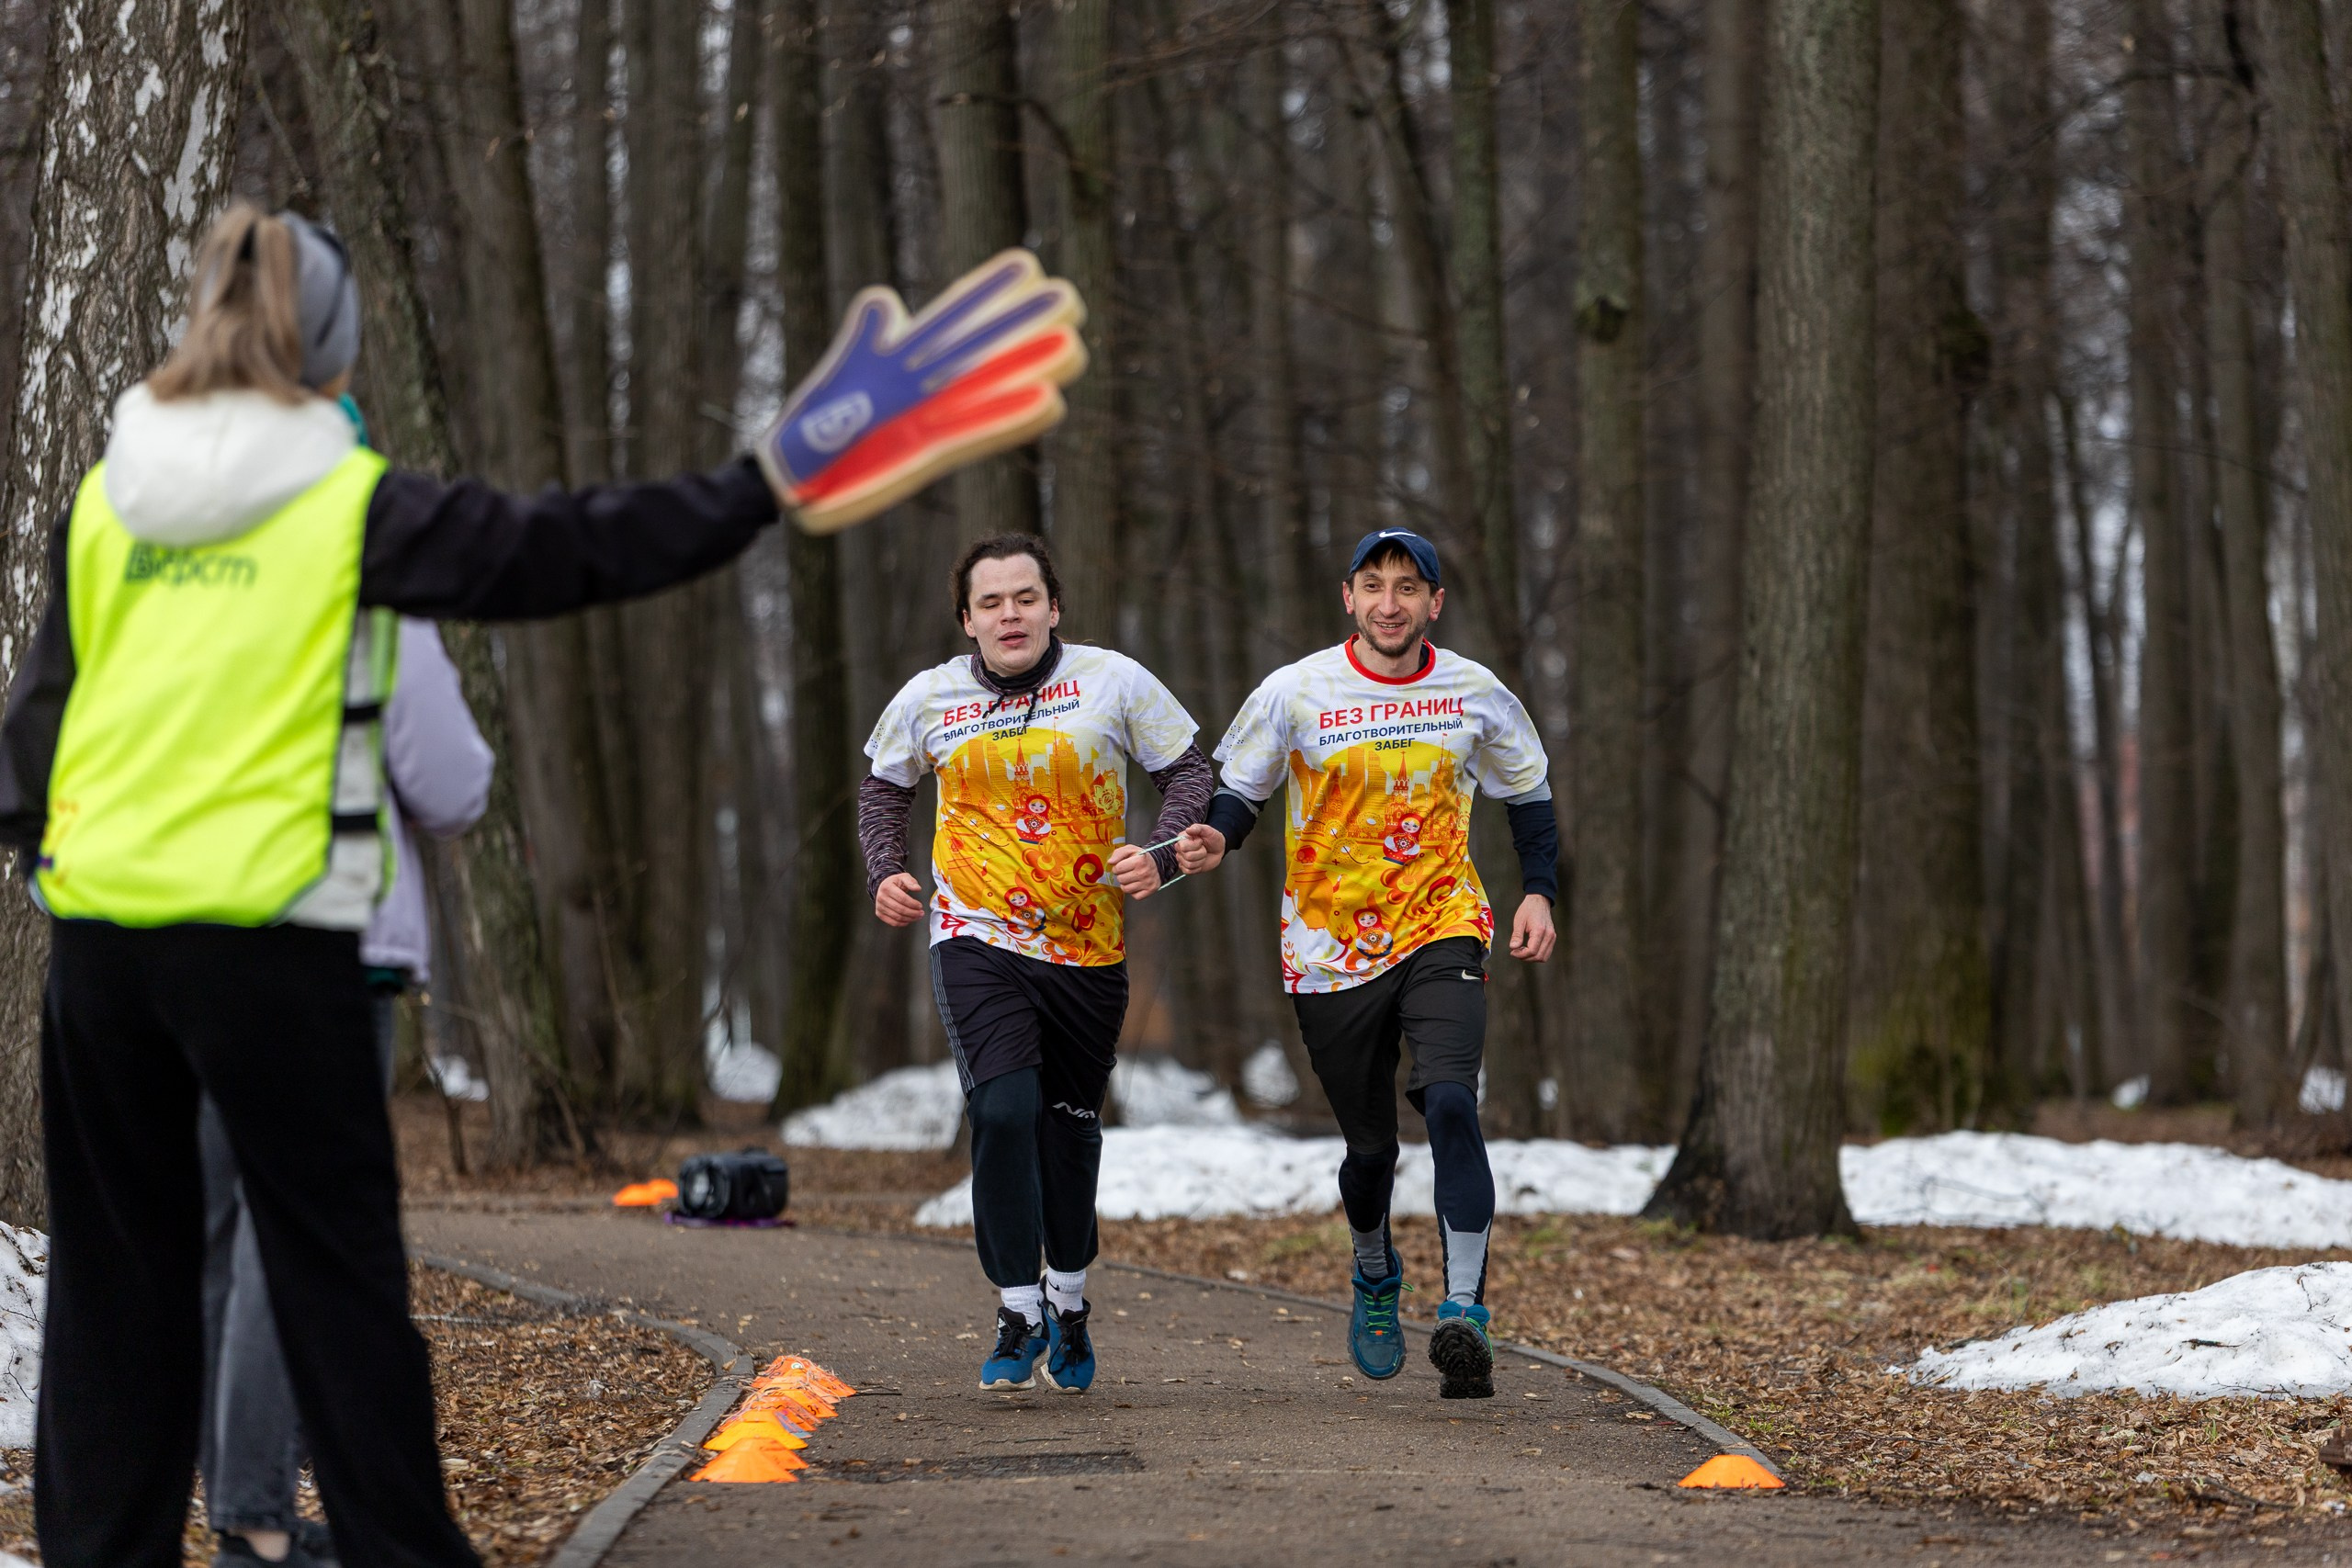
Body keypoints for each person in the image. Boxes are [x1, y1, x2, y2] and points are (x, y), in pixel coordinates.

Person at [0, 202, 821, 1568]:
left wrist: (49, 850)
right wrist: (758, 485)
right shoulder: (344, 498)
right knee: (337, 1290)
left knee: (113, 1300)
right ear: (331, 348)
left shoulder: (106, 497)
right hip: (274, 941)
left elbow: (37, 719)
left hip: (103, 946)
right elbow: (563, 548)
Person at [1172, 528, 1559, 1400]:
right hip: (1328, 946)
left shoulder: (1476, 692)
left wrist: (1538, 892)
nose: (1391, 603)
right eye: (1374, 585)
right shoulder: (1294, 690)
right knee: (1371, 1148)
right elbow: (1241, 792)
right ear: (1348, 598)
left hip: (1442, 920)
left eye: (1409, 586)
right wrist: (1216, 837)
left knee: (1452, 1098)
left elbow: (1529, 795)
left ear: (1435, 604)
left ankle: (1465, 1309)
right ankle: (1375, 1267)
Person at [857, 535, 1212, 1394]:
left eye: (1025, 597)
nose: (1009, 614)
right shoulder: (930, 696)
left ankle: (1070, 1297)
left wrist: (1162, 852)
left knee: (1069, 1129)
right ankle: (1018, 1308)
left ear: (1054, 607)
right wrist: (886, 870)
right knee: (1003, 1109)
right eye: (991, 602)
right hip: (975, 934)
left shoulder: (1112, 680)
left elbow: (1190, 773)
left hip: (1087, 944)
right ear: (967, 619)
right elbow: (884, 787)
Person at [198, 615, 491, 1568]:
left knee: (216, 1230)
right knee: (283, 1235)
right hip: (326, 939)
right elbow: (453, 784)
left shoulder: (178, 572)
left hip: (183, 932)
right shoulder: (364, 592)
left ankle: (235, 1506)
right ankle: (255, 1520)